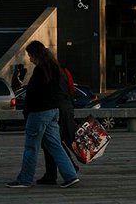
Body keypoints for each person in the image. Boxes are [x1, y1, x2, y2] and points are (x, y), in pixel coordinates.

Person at [7, 40, 79, 189]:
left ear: (35, 54)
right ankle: (70, 175)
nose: (30, 59)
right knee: (55, 145)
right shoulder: (55, 67)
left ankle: (25, 179)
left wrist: (27, 111)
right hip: (54, 111)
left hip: (38, 113)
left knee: (31, 147)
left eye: (30, 55)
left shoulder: (40, 70)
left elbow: (33, 94)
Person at [37, 58, 77, 186]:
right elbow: (71, 90)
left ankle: (64, 169)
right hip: (67, 108)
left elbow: (49, 93)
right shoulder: (63, 71)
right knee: (57, 140)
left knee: (52, 141)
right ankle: (58, 171)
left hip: (57, 109)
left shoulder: (51, 72)